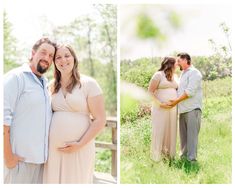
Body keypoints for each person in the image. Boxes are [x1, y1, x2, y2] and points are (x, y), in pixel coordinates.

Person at [43, 44, 106, 184]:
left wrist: (80, 143)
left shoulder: (89, 83)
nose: (63, 60)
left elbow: (100, 120)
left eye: (67, 55)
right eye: (58, 57)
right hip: (53, 148)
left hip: (80, 147)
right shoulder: (50, 86)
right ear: (54, 62)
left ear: (74, 58)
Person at [4, 38, 56, 184]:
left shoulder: (45, 83)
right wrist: (9, 158)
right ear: (33, 53)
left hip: (40, 163)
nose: (46, 58)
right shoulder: (16, 77)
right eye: (43, 52)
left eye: (51, 55)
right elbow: (3, 119)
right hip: (19, 163)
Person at [167, 52, 202, 162]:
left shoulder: (194, 73)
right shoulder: (183, 74)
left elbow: (189, 92)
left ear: (186, 60)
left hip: (192, 109)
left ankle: (192, 161)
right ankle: (183, 158)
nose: (177, 64)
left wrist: (175, 101)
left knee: (192, 137)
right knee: (183, 137)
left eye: (179, 61)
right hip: (182, 110)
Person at [148, 57, 178, 162]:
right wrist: (161, 104)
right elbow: (150, 92)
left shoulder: (175, 77)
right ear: (170, 64)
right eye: (176, 64)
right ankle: (157, 156)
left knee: (170, 130)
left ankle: (169, 155)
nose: (177, 65)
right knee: (160, 129)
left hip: (172, 109)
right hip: (160, 108)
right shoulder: (158, 75)